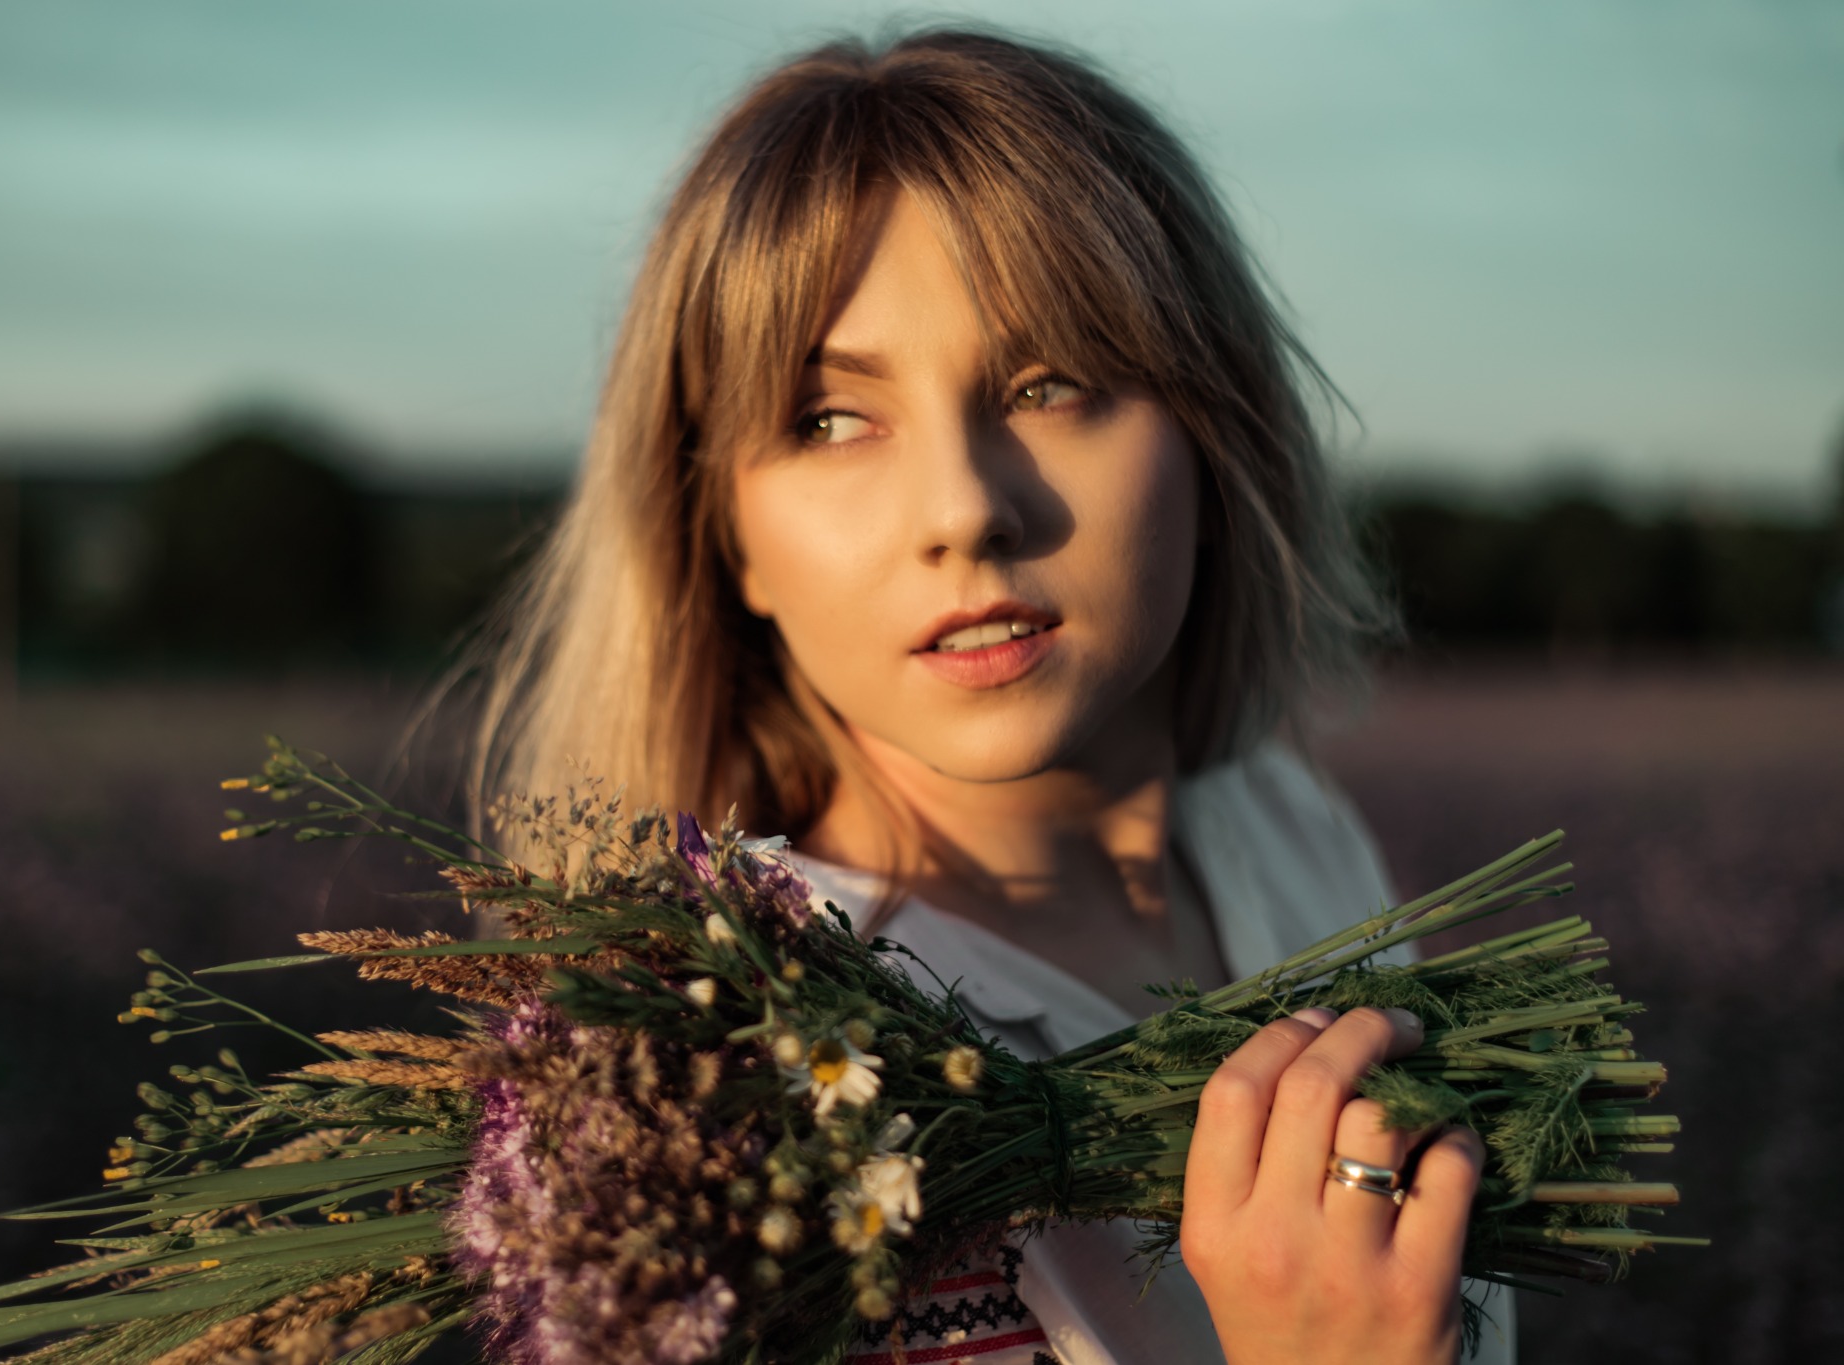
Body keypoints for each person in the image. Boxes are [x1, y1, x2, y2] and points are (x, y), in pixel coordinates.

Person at [464, 26, 1508, 1365]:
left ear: (1210, 429)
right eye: (831, 420)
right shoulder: (732, 1092)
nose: (964, 507)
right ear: (726, 535)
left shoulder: (1291, 838)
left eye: (1049, 381)